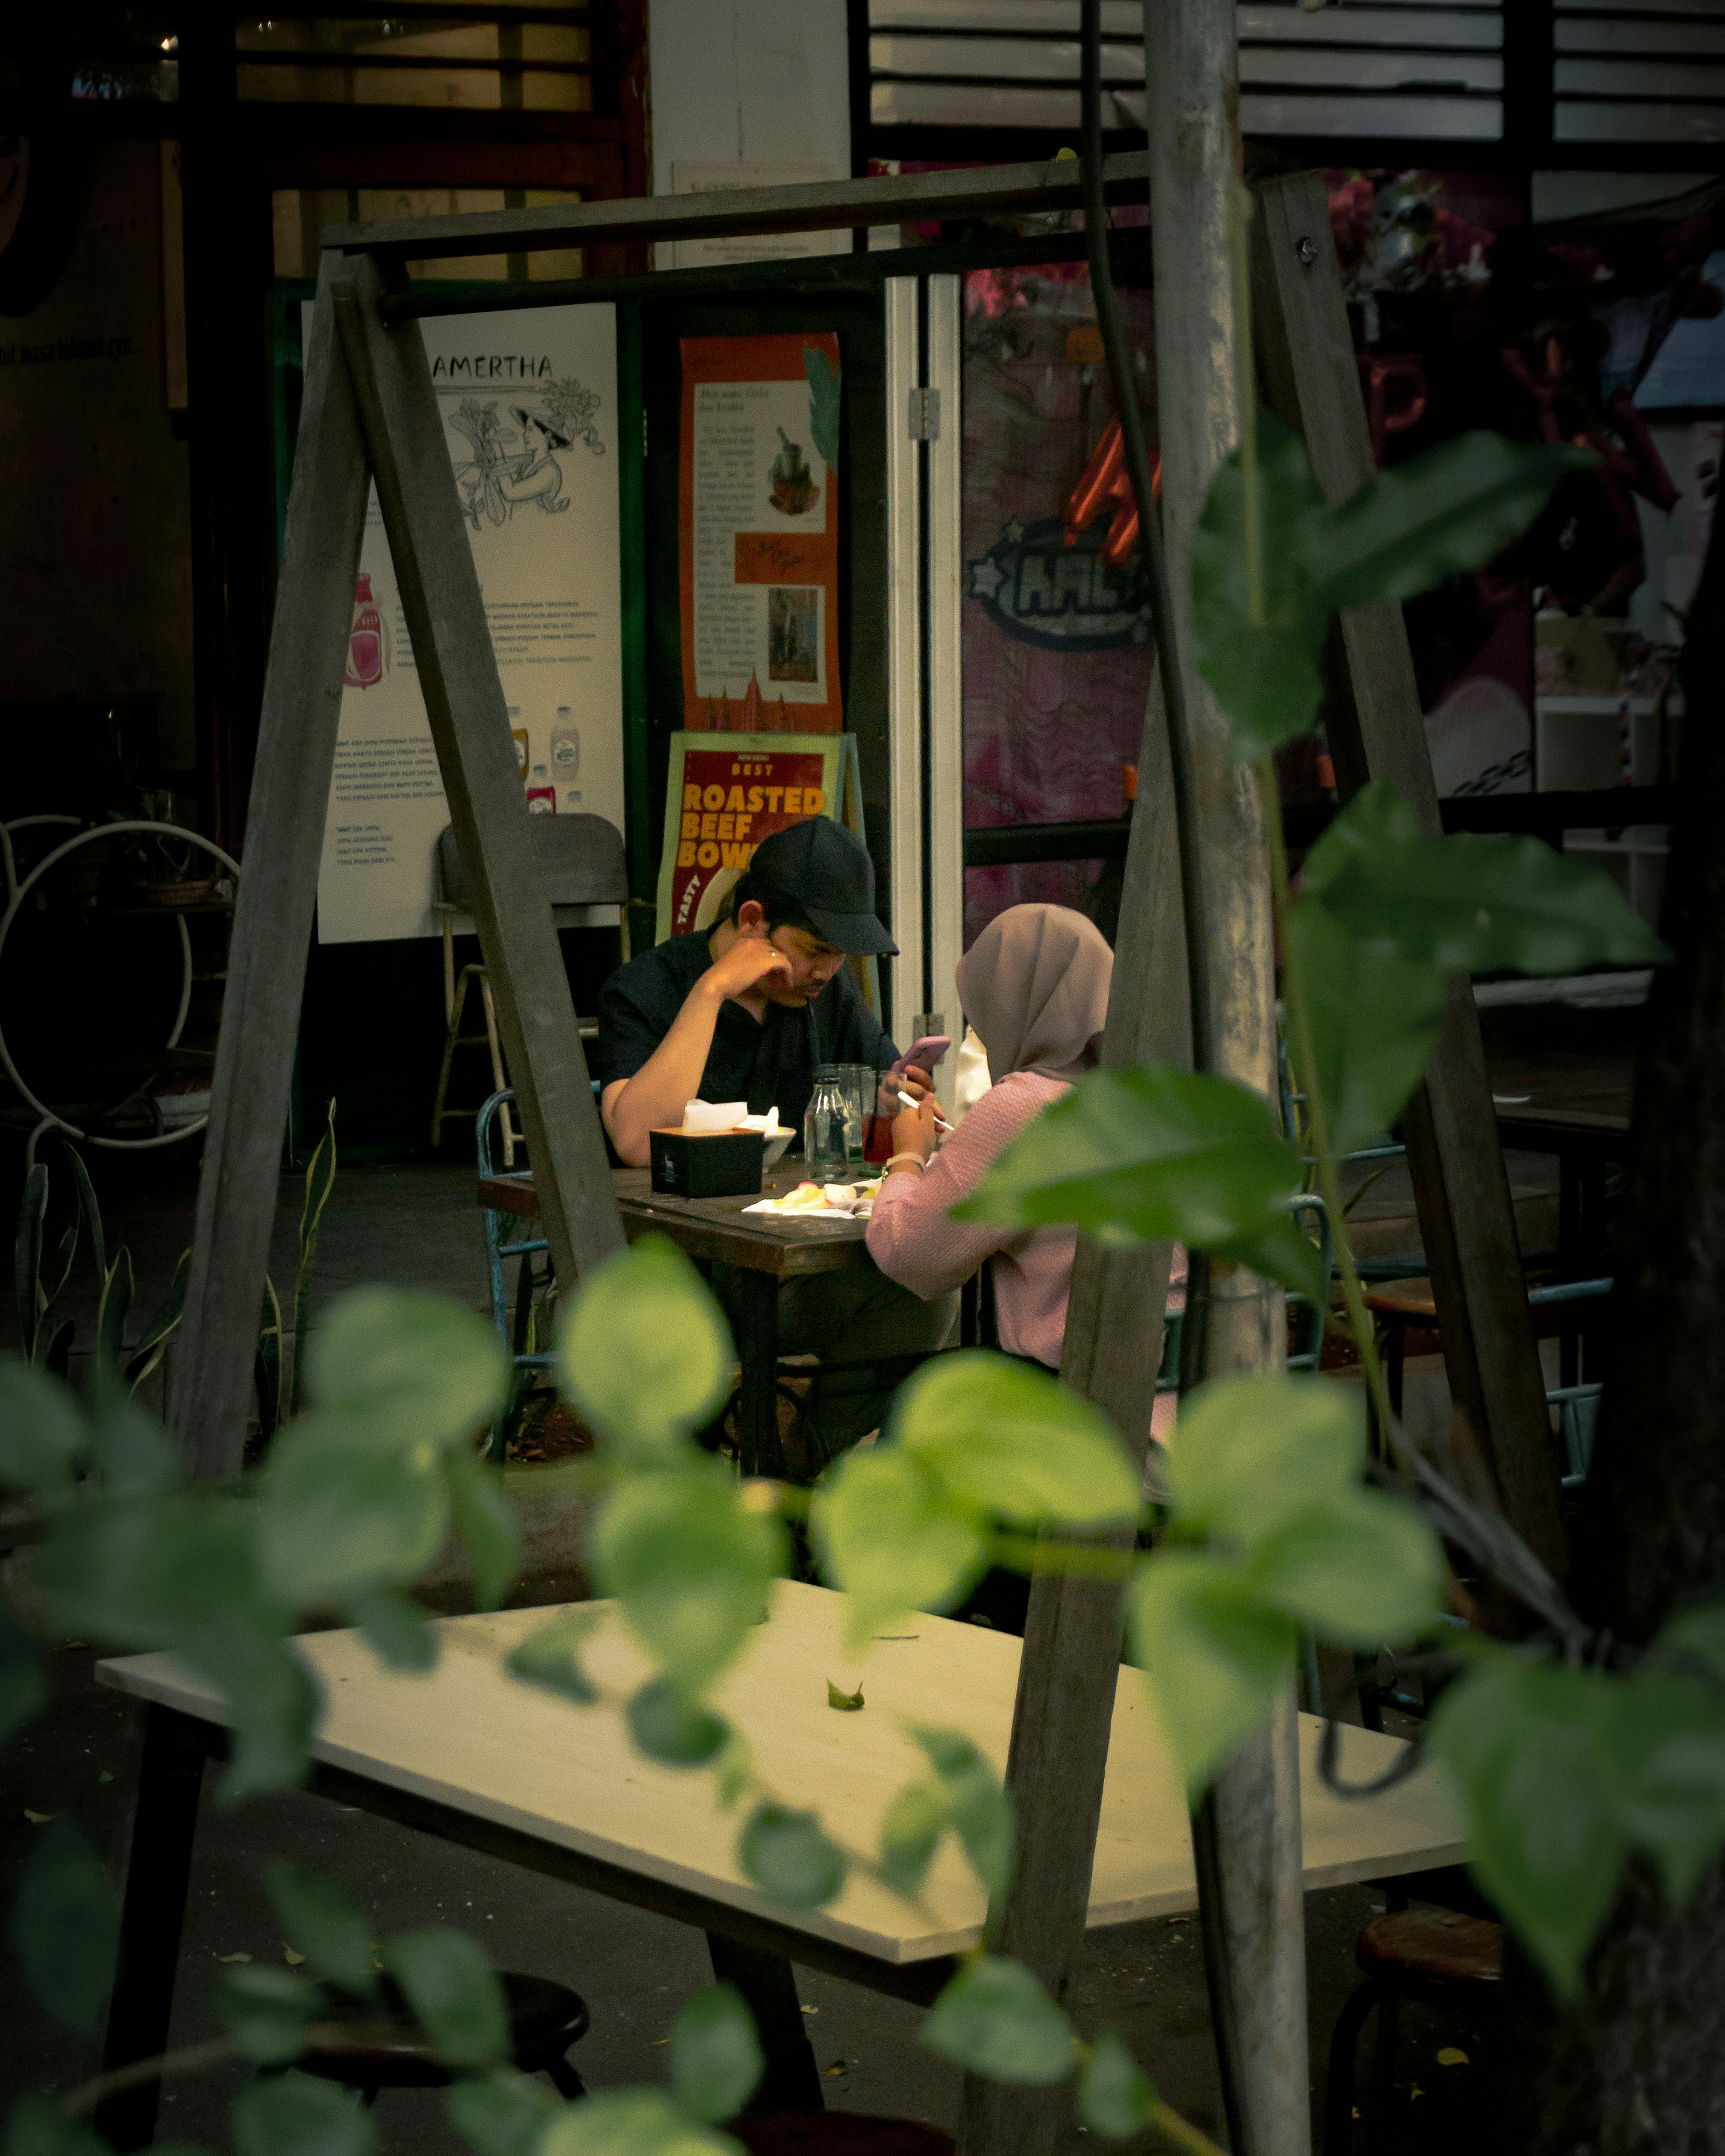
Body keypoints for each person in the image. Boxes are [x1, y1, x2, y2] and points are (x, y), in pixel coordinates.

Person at [595, 816, 954, 1476]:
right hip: (672, 1275)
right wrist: (713, 992)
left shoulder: (826, 993)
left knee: (926, 1286)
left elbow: (883, 1093)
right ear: (753, 919)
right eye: (813, 949)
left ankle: (796, 1462)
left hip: (783, 1268)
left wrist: (893, 1101)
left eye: (840, 955)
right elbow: (634, 1141)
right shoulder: (649, 987)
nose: (825, 970)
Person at [868, 901, 1183, 1378]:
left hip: (1079, 1403)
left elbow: (910, 1254)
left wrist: (908, 1154)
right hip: (1191, 1401)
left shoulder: (1023, 1110)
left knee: (915, 1404)